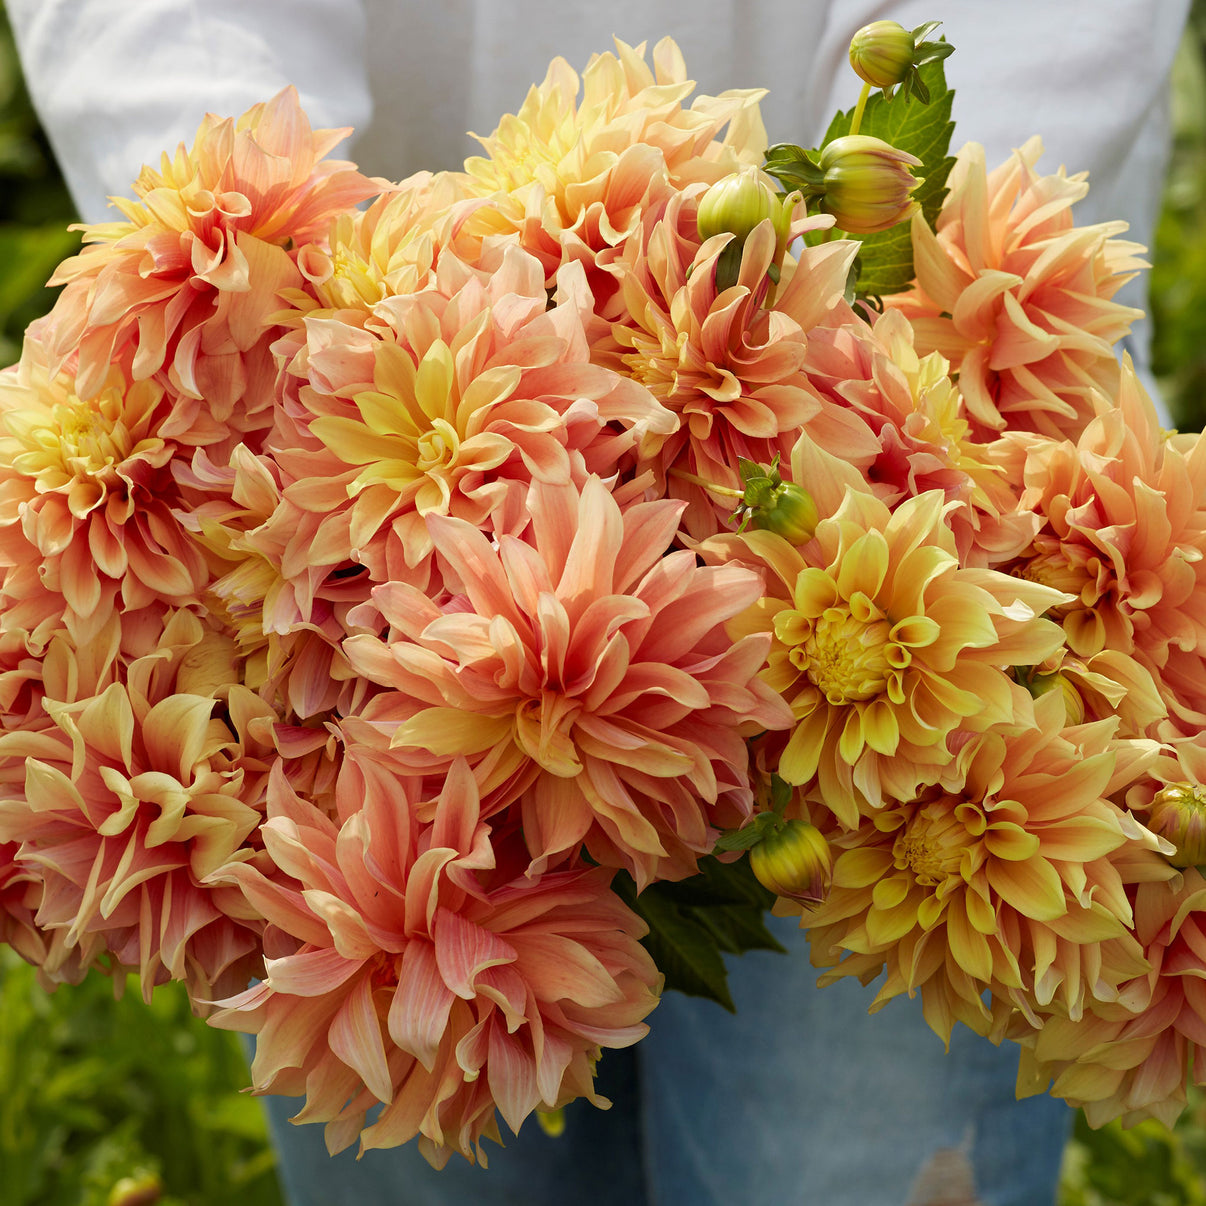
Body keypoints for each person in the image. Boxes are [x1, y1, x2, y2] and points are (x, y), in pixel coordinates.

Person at [6, 2, 1190, 1202]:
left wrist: (860, 321)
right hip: (333, 561)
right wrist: (289, 309)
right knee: (422, 1096)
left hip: (936, 565)